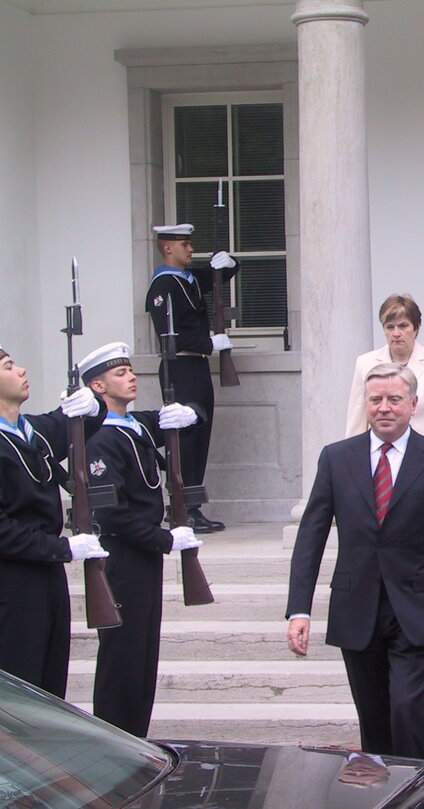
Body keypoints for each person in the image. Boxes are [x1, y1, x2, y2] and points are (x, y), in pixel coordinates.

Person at [287, 363, 424, 760]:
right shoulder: (337, 458)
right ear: (365, 404)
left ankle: (419, 790)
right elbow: (311, 535)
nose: (384, 408)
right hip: (357, 606)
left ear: (412, 404)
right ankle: (383, 794)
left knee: (409, 709)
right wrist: (299, 608)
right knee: (373, 718)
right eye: (376, 400)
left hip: (417, 607)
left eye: (394, 400)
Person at [78, 342, 203, 736]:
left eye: (131, 370)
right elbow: (111, 512)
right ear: (97, 386)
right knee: (123, 657)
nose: (131, 377)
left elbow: (183, 419)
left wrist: (193, 413)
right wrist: (164, 539)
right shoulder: (100, 438)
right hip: (123, 557)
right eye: (120, 374)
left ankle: (136, 737)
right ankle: (115, 739)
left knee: (143, 655)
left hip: (143, 554)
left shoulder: (136, 426)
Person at [0, 342, 109, 698]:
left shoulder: (32, 429)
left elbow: (77, 424)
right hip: (12, 579)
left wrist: (91, 407)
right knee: (21, 684)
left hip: (47, 573)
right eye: (8, 366)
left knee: (50, 680)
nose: (21, 371)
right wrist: (61, 547)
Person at [145, 223, 238, 533]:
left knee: (200, 436)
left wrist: (231, 262)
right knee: (185, 440)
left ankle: (193, 506)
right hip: (179, 367)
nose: (190, 249)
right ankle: (183, 507)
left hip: (196, 368)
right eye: (184, 244)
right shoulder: (163, 286)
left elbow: (220, 275)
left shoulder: (188, 280)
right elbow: (167, 335)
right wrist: (209, 344)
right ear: (167, 248)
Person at [345, 295, 424, 465]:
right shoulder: (365, 363)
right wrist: (353, 465)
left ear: (416, 328)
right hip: (381, 460)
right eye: (389, 327)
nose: (396, 333)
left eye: (403, 326)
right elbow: (357, 422)